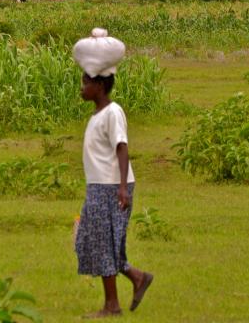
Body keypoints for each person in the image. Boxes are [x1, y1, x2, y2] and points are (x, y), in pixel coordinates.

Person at [73, 28, 153, 318]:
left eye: (85, 82)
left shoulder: (112, 112)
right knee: (93, 240)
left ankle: (112, 305)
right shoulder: (96, 115)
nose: (81, 88)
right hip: (98, 186)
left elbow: (122, 148)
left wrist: (122, 188)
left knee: (104, 243)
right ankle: (137, 277)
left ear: (100, 85)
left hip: (110, 187)